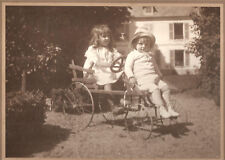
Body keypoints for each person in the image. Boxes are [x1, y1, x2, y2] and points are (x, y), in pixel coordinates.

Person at [124, 29, 179, 118]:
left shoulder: (150, 55)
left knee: (165, 87)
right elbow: (127, 67)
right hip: (143, 81)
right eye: (140, 44)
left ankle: (169, 107)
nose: (143, 46)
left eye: (146, 44)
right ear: (134, 44)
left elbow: (155, 66)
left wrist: (159, 74)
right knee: (155, 89)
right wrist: (131, 77)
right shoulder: (132, 55)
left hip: (155, 78)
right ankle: (161, 108)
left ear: (150, 46)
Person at [83, 24, 123, 114]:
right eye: (103, 36)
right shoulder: (93, 49)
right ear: (97, 38)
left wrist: (121, 62)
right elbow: (98, 62)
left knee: (122, 75)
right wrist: (111, 64)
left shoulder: (111, 50)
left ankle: (122, 100)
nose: (106, 38)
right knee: (107, 80)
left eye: (108, 36)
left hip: (108, 71)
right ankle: (112, 106)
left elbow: (118, 58)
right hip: (95, 72)